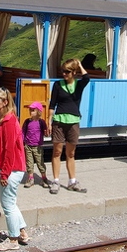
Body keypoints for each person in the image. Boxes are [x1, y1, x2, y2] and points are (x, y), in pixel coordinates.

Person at [0, 86, 30, 251]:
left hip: (11, 169)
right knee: (11, 202)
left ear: (5, 102)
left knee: (7, 205)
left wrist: (4, 174)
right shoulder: (4, 120)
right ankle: (22, 233)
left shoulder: (9, 122)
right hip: (11, 168)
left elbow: (9, 152)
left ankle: (12, 240)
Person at [48, 58, 90, 194]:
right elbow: (52, 104)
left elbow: (87, 77)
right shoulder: (57, 85)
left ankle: (72, 181)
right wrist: (49, 122)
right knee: (57, 152)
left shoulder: (79, 85)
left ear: (74, 73)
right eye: (63, 71)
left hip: (73, 122)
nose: (64, 74)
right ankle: (55, 181)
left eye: (67, 71)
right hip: (59, 121)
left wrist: (79, 64)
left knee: (70, 153)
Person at [22, 101, 50, 188]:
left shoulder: (41, 122)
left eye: (33, 110)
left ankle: (44, 178)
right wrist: (22, 142)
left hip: (38, 147)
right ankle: (30, 178)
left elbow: (45, 133)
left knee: (40, 163)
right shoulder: (27, 122)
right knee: (29, 163)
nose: (31, 112)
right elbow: (23, 132)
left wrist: (47, 133)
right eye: (30, 110)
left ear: (38, 111)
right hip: (28, 146)